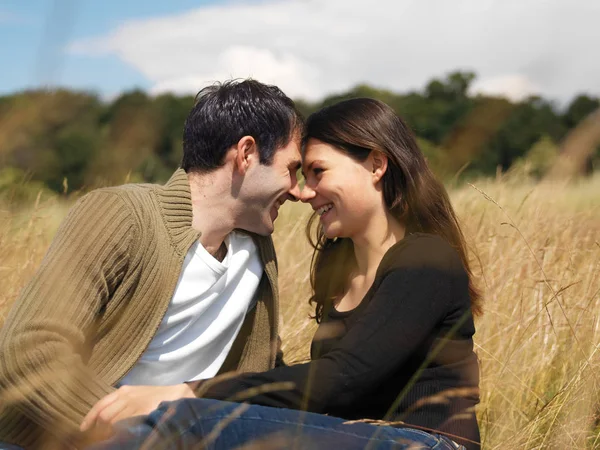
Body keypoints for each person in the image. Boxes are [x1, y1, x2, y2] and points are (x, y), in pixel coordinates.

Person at [89, 97, 483, 450]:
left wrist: (188, 392)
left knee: (188, 420)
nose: (305, 192)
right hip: (356, 435)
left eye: (318, 171)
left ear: (377, 165)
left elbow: (342, 379)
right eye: (302, 175)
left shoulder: (426, 259)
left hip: (426, 442)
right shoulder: (340, 272)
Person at [0, 79, 304, 449]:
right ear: (246, 154)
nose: (298, 190)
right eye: (292, 169)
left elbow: (268, 373)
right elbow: (31, 350)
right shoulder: (123, 215)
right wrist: (142, 433)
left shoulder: (258, 248)